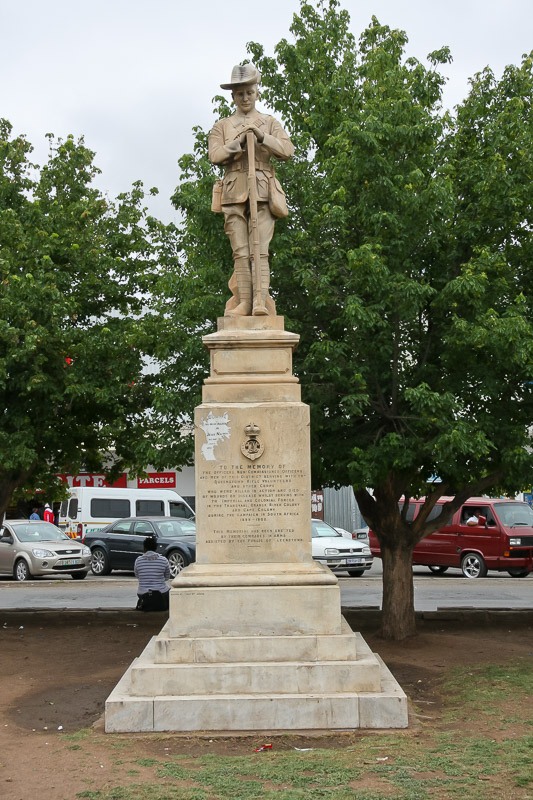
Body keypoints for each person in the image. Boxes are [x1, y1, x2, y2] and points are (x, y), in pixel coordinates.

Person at [208, 62, 294, 317]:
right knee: (241, 252)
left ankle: (260, 301)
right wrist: (237, 144)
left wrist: (261, 137)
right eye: (239, 93)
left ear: (257, 92)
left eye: (249, 92)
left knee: (261, 249)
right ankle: (244, 300)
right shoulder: (221, 126)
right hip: (234, 192)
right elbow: (215, 154)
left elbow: (287, 150)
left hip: (263, 191)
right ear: (233, 96)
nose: (245, 97)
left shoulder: (269, 122)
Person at [134, 536, 171, 612]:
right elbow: (167, 577)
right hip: (161, 593)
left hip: (143, 594)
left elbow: (137, 576)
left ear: (144, 548)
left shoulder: (138, 561)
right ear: (156, 548)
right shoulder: (164, 560)